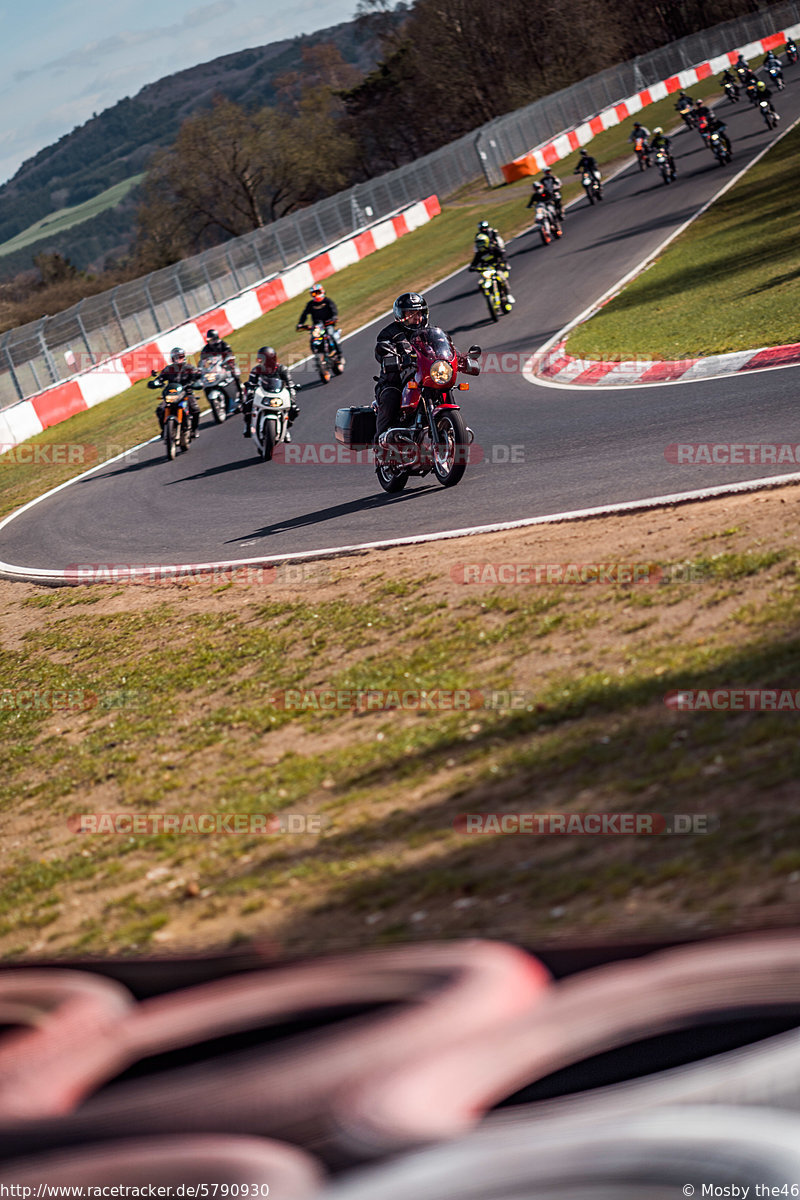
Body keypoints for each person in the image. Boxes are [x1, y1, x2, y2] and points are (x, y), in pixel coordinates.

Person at [373, 293, 429, 440]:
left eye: (420, 313)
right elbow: (381, 349)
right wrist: (389, 357)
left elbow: (443, 347)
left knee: (443, 387)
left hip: (424, 377)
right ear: (401, 315)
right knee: (391, 395)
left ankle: (451, 429)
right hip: (395, 380)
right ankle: (381, 440)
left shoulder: (429, 332)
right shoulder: (388, 333)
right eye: (411, 313)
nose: (417, 318)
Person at [241, 346, 298, 440]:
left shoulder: (282, 369)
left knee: (294, 409)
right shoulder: (256, 370)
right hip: (263, 395)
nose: (260, 362)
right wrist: (250, 394)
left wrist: (292, 399)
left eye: (262, 359)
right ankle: (248, 426)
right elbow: (251, 384)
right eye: (260, 359)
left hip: (278, 395)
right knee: (246, 405)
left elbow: (290, 384)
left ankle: (286, 428)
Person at [148, 348, 202, 440]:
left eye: (180, 357)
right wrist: (157, 382)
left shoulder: (189, 368)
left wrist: (197, 376)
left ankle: (194, 429)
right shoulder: (168, 369)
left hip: (186, 393)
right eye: (175, 357)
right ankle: (165, 430)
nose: (178, 359)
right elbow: (161, 378)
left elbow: (197, 374)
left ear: (183, 357)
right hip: (171, 395)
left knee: (195, 408)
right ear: (172, 359)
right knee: (160, 409)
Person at [198, 327, 243, 404]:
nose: (210, 341)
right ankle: (212, 402)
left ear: (215, 338)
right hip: (214, 369)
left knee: (235, 374)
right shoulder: (206, 349)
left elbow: (229, 355)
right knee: (205, 383)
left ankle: (241, 394)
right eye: (209, 340)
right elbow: (203, 360)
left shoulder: (224, 345)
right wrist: (201, 368)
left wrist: (228, 362)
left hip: (225, 366)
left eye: (211, 339)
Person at [468, 231, 515, 304]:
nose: (480, 245)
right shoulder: (479, 254)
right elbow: (474, 263)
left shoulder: (493, 248)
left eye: (481, 243)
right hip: (486, 271)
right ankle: (488, 296)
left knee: (502, 279)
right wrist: (473, 267)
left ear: (486, 242)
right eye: (478, 243)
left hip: (496, 268)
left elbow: (502, 254)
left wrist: (503, 260)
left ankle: (508, 295)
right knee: (481, 284)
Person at [296, 285, 341, 349]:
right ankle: (317, 353)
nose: (316, 295)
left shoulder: (327, 301)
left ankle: (337, 350)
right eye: (314, 293)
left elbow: (334, 309)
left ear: (322, 291)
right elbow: (304, 314)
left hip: (328, 322)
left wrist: (334, 317)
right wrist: (300, 323)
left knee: (330, 333)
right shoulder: (310, 304)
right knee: (314, 337)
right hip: (317, 325)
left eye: (318, 292)